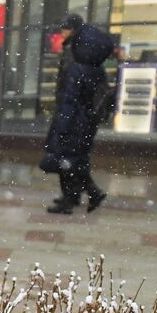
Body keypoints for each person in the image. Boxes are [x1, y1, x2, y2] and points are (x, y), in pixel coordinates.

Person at [42, 22, 115, 215]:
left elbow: (69, 101)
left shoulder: (77, 70)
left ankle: (74, 198)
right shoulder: (98, 70)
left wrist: (62, 126)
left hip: (74, 121)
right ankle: (85, 194)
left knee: (65, 160)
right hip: (88, 122)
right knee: (77, 160)